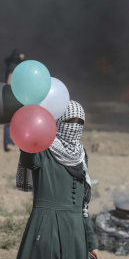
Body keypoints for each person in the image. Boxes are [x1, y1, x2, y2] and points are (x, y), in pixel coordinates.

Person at [16, 101, 103, 259]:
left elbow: (83, 206)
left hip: (76, 232)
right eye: (69, 121)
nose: (75, 126)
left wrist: (91, 243)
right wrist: (28, 127)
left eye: (80, 122)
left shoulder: (80, 154)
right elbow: (29, 159)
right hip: (47, 229)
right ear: (57, 121)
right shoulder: (43, 147)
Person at [4, 49, 24, 152]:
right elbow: (9, 81)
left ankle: (9, 143)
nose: (23, 56)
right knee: (10, 121)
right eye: (21, 55)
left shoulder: (11, 65)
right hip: (11, 96)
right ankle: (8, 144)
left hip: (9, 96)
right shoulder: (13, 66)